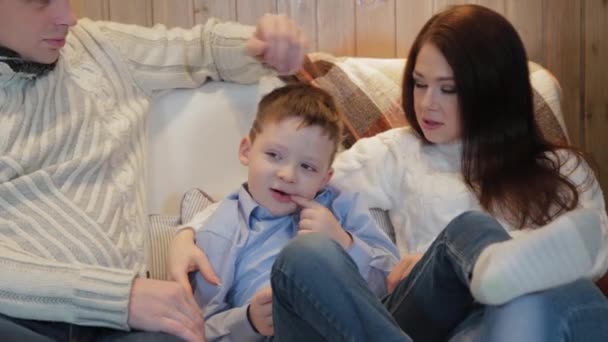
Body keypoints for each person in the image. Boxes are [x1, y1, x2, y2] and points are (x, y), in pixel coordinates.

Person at [170, 4, 608, 342]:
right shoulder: (394, 151)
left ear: (491, 87)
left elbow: (593, 251)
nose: (427, 103)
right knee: (465, 230)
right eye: (419, 83)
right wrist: (184, 234)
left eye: (448, 89)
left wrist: (501, 259)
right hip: (427, 319)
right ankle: (480, 268)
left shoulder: (563, 168)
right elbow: (290, 181)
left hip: (514, 317)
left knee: (554, 294)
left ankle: (493, 269)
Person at [0, 0, 308, 340]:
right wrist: (119, 296)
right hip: (21, 318)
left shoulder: (97, 49)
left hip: (119, 327)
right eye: (41, 2)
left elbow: (201, 48)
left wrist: (262, 46)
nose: (68, 18)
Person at [180, 83, 400, 341]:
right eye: (274, 155)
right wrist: (248, 320)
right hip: (282, 334)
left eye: (307, 167)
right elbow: (196, 329)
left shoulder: (343, 205)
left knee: (460, 232)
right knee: (305, 253)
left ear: (324, 178)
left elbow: (392, 285)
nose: (287, 175)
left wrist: (344, 242)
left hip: (353, 328)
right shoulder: (222, 229)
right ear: (246, 151)